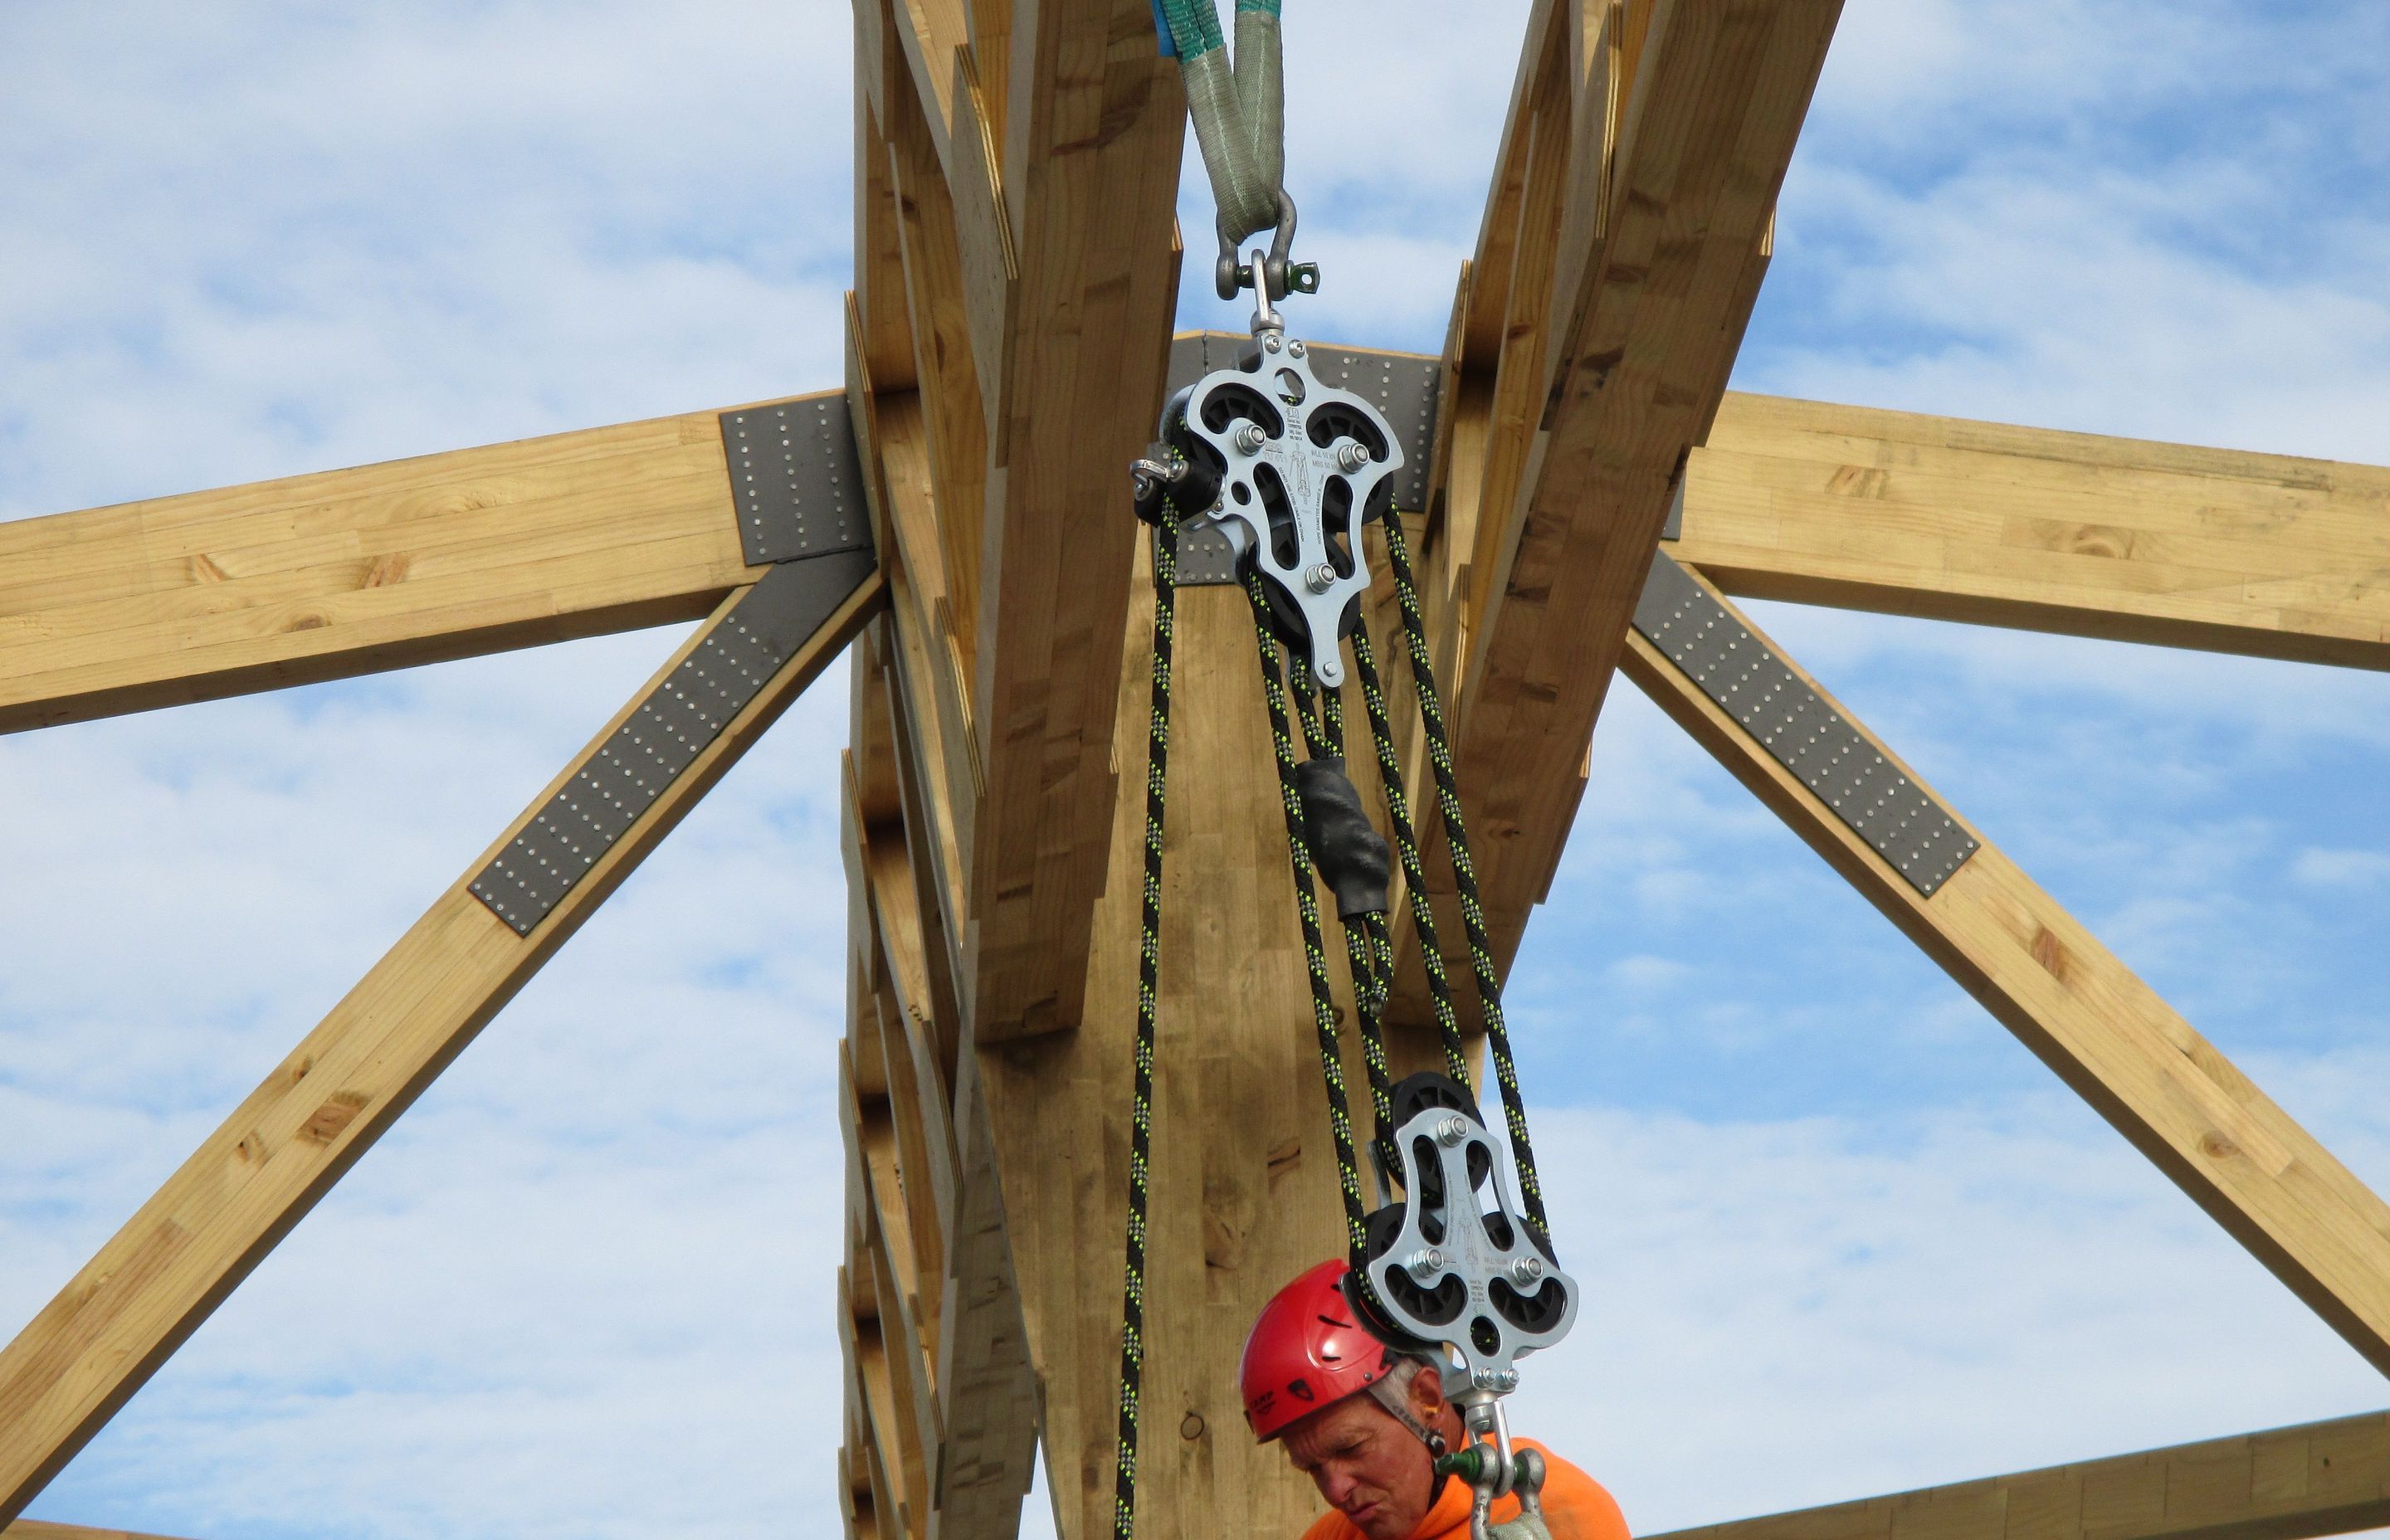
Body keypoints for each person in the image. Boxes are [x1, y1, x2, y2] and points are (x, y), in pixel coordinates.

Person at [1241, 1260, 1631, 1540]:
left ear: (1427, 1398)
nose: (1335, 1491)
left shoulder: (1562, 1518)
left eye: (1351, 1447)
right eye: (1311, 1468)